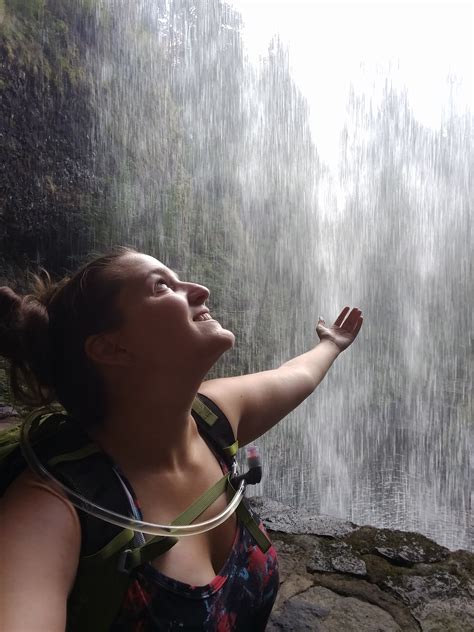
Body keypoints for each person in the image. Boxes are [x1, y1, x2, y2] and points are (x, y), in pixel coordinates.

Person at [0, 246, 363, 631]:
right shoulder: (51, 508)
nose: (200, 289)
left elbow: (298, 375)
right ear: (110, 347)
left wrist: (331, 343)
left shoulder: (211, 417)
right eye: (162, 287)